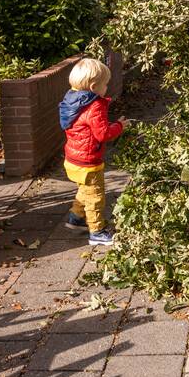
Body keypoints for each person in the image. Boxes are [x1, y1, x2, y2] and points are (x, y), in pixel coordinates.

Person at [59, 58, 128, 245]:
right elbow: (103, 133)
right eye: (105, 84)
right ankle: (97, 231)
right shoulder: (94, 105)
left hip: (73, 158)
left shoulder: (72, 100)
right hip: (88, 161)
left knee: (85, 190)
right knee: (96, 197)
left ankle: (76, 218)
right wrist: (120, 126)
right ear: (94, 86)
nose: (106, 88)